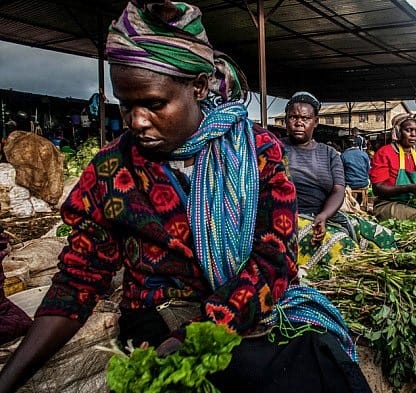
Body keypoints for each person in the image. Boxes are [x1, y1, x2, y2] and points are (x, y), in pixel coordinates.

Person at [0, 3, 371, 393]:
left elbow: (275, 257)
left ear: (197, 86)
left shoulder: (256, 152)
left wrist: (205, 331)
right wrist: (9, 379)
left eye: (154, 103)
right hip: (158, 315)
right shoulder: (112, 169)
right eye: (126, 105)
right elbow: (79, 278)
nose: (137, 121)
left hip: (243, 304)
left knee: (319, 358)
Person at [282, 92, 396, 270]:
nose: (299, 123)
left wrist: (324, 216)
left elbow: (338, 189)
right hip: (288, 217)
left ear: (315, 122)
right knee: (345, 250)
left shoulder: (328, 153)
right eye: (293, 117)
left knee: (384, 237)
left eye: (305, 118)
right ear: (286, 120)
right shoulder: (275, 149)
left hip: (324, 213)